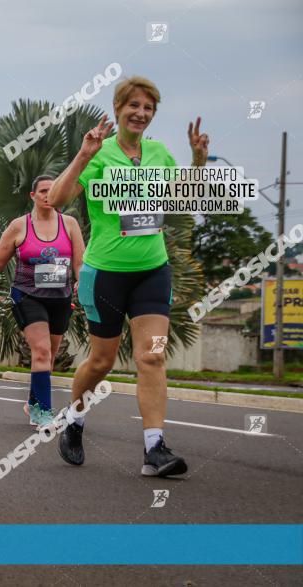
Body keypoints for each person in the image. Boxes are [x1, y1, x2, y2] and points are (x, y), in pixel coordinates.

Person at [46, 75, 209, 477]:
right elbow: (57, 199)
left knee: (151, 356)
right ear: (118, 109)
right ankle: (75, 419)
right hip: (106, 276)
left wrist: (198, 162)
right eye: (133, 106)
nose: (140, 114)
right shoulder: (99, 155)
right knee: (101, 360)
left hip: (153, 272)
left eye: (148, 108)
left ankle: (155, 449)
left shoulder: (159, 153)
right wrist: (84, 155)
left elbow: (182, 200)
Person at [0, 175, 85, 427]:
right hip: (27, 295)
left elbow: (79, 262)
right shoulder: (20, 226)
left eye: (52, 191)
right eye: (42, 191)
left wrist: (81, 282)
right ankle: (43, 413)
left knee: (50, 355)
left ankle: (32, 403)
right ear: (33, 195)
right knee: (41, 350)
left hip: (60, 297)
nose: (47, 195)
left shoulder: (70, 224)